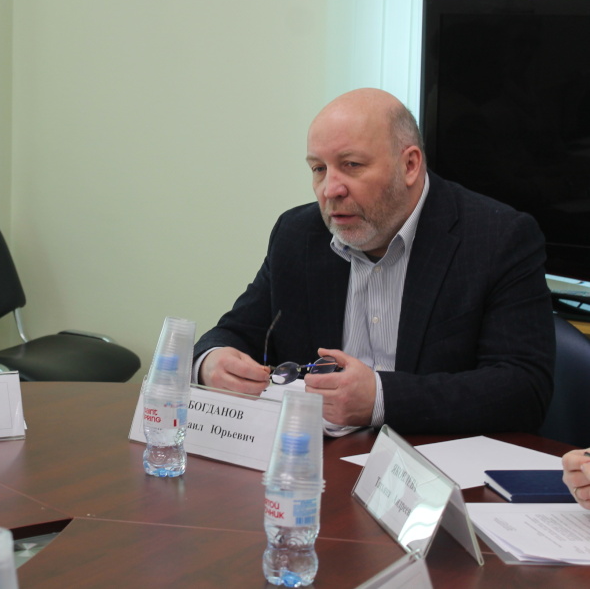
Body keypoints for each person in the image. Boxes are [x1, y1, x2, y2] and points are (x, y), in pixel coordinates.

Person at [194, 88, 554, 435]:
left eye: (351, 165)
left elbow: (524, 389)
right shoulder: (297, 235)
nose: (330, 189)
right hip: (319, 459)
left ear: (410, 164)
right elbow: (237, 333)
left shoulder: (497, 238)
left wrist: (382, 399)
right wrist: (210, 363)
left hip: (434, 461)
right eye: (318, 169)